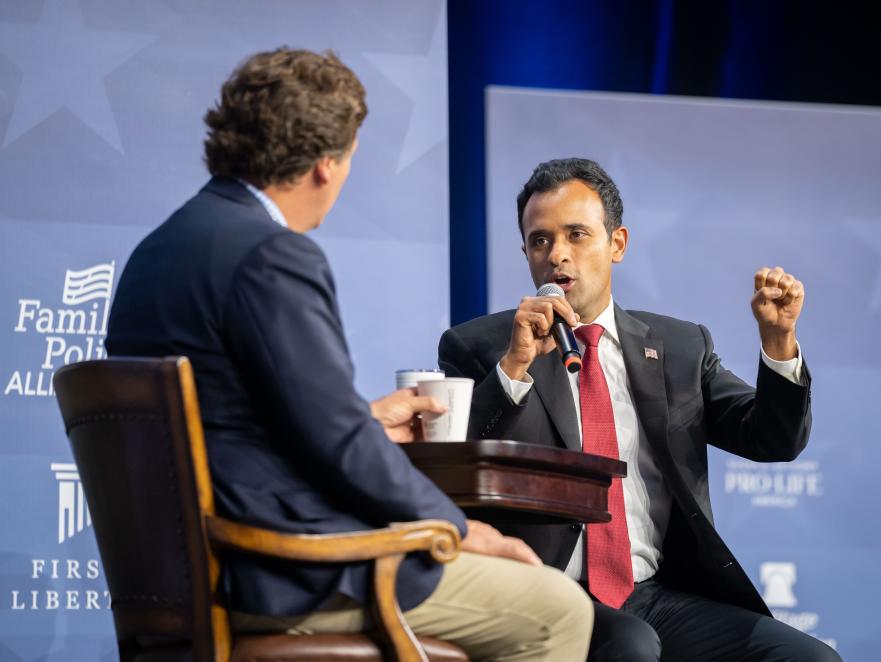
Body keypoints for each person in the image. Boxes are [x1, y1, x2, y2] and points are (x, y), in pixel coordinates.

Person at [105, 49, 592, 661]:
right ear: (326, 166)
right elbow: (340, 452)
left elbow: (244, 425)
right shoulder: (272, 255)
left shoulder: (157, 253)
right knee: (557, 610)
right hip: (283, 572)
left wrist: (362, 421)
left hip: (183, 575)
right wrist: (461, 531)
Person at [438, 158, 841, 661]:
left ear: (617, 244)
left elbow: (772, 439)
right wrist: (514, 368)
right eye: (540, 241)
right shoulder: (480, 346)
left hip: (652, 592)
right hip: (540, 591)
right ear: (525, 253)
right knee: (631, 646)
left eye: (577, 235)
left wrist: (779, 342)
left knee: (810, 659)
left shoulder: (679, 346)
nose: (557, 255)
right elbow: (452, 466)